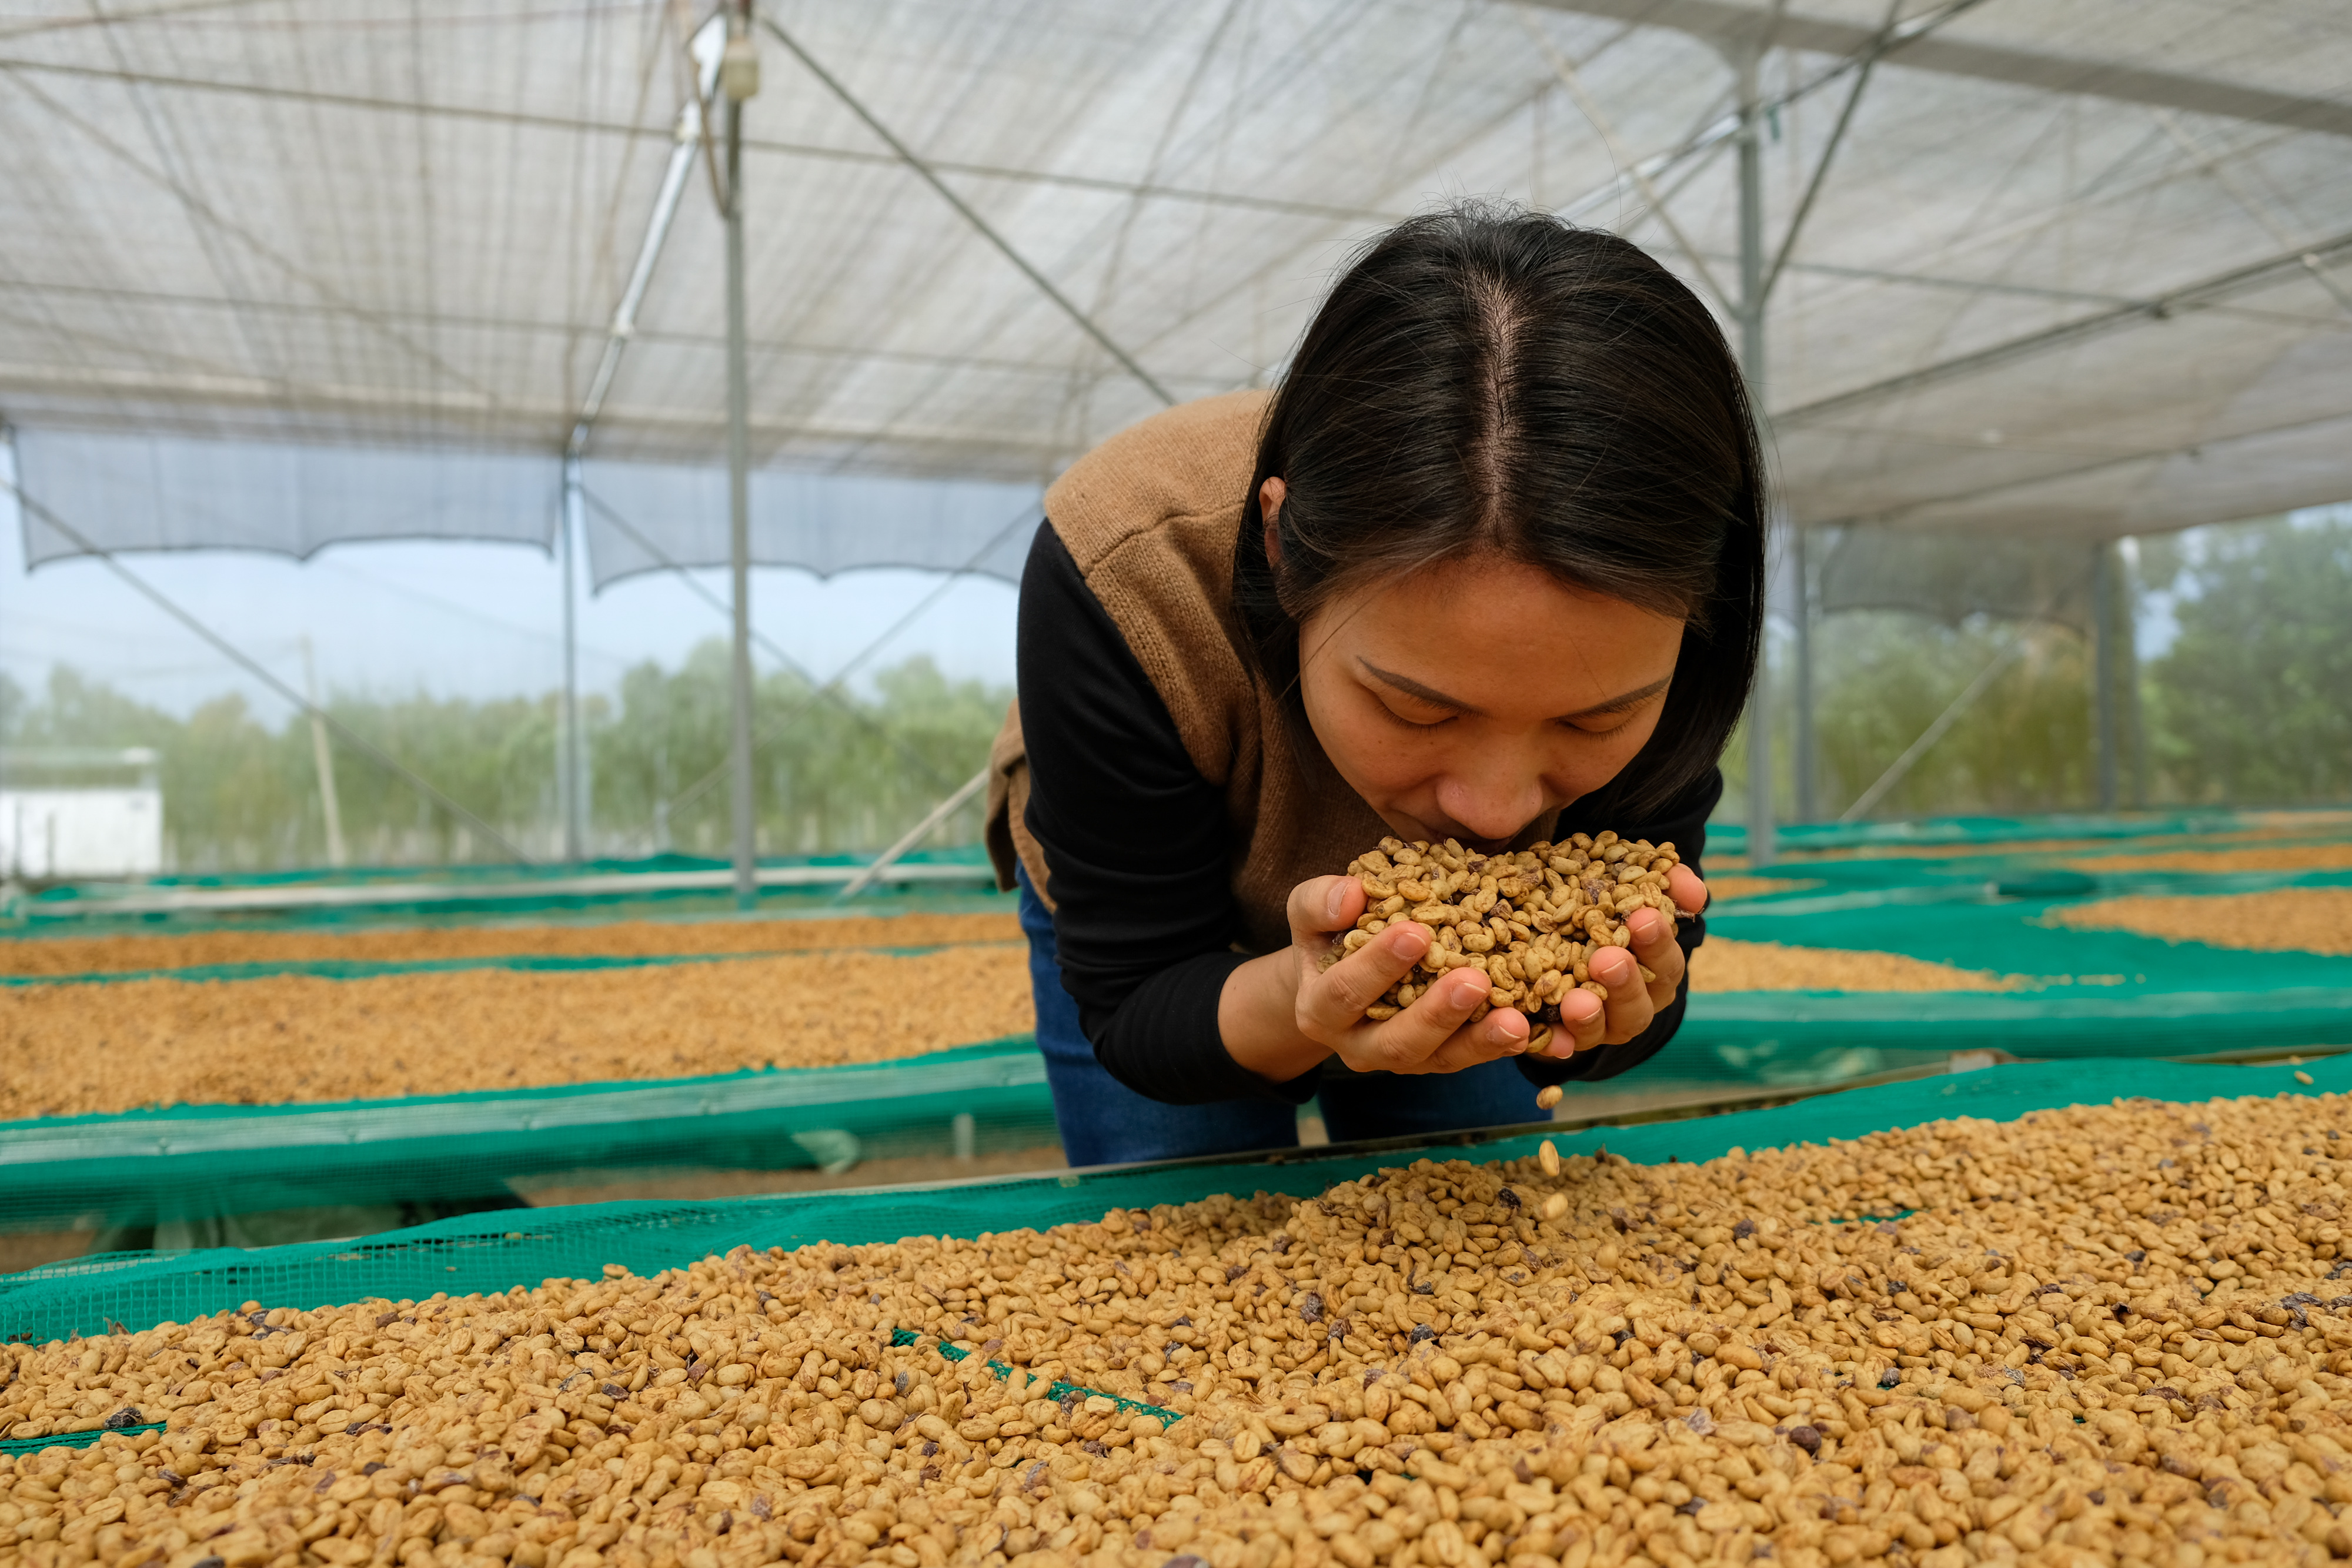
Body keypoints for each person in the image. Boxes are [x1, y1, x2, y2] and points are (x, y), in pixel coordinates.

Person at [983, 202, 1764, 1168]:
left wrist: (1617, 1012)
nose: (1496, 811)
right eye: (1416, 708)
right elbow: (1138, 1002)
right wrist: (1300, 1001)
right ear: (1279, 545)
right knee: (1186, 1207)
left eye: (1593, 719)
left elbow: (1645, 992)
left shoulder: (1667, 598)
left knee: (1473, 1228)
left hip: (1426, 961)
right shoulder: (1129, 566)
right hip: (1169, 920)